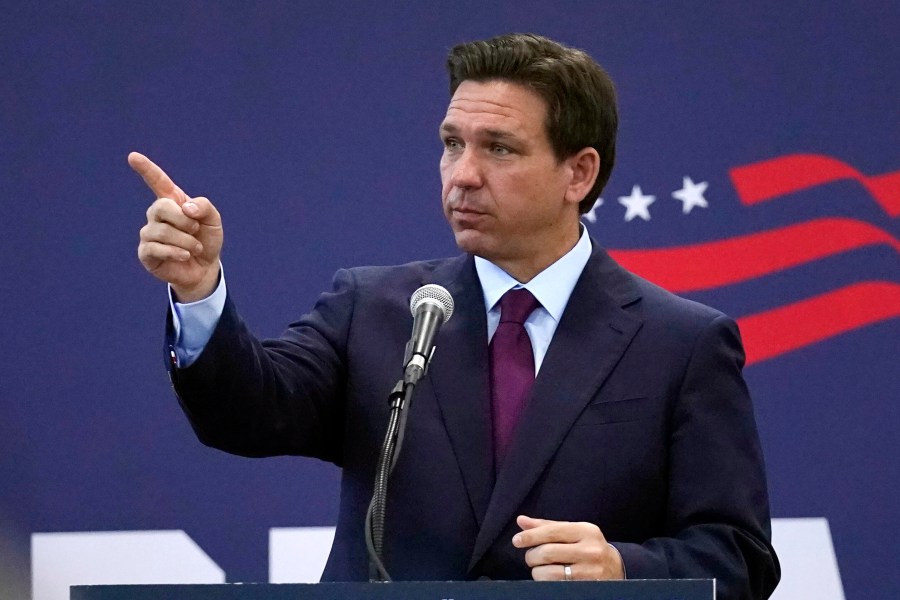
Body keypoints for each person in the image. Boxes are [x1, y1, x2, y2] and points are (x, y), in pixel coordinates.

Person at [132, 33, 779, 599]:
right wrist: (198, 290)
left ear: (578, 172)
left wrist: (621, 569)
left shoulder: (681, 343)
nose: (461, 174)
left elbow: (738, 559)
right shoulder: (376, 309)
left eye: (498, 148)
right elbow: (249, 413)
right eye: (451, 144)